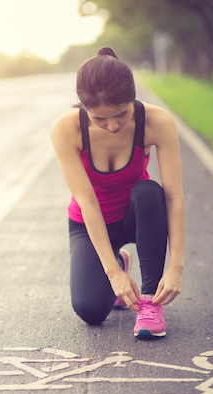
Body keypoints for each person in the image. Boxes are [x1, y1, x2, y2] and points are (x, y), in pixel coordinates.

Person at [50, 47, 185, 340]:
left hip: (137, 216)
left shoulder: (156, 121)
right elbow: (87, 201)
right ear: (83, 107)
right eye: (99, 119)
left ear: (133, 99)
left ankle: (150, 304)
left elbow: (173, 196)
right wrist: (114, 274)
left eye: (120, 115)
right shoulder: (66, 129)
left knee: (149, 192)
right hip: (90, 224)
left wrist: (176, 265)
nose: (112, 126)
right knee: (90, 311)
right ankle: (118, 260)